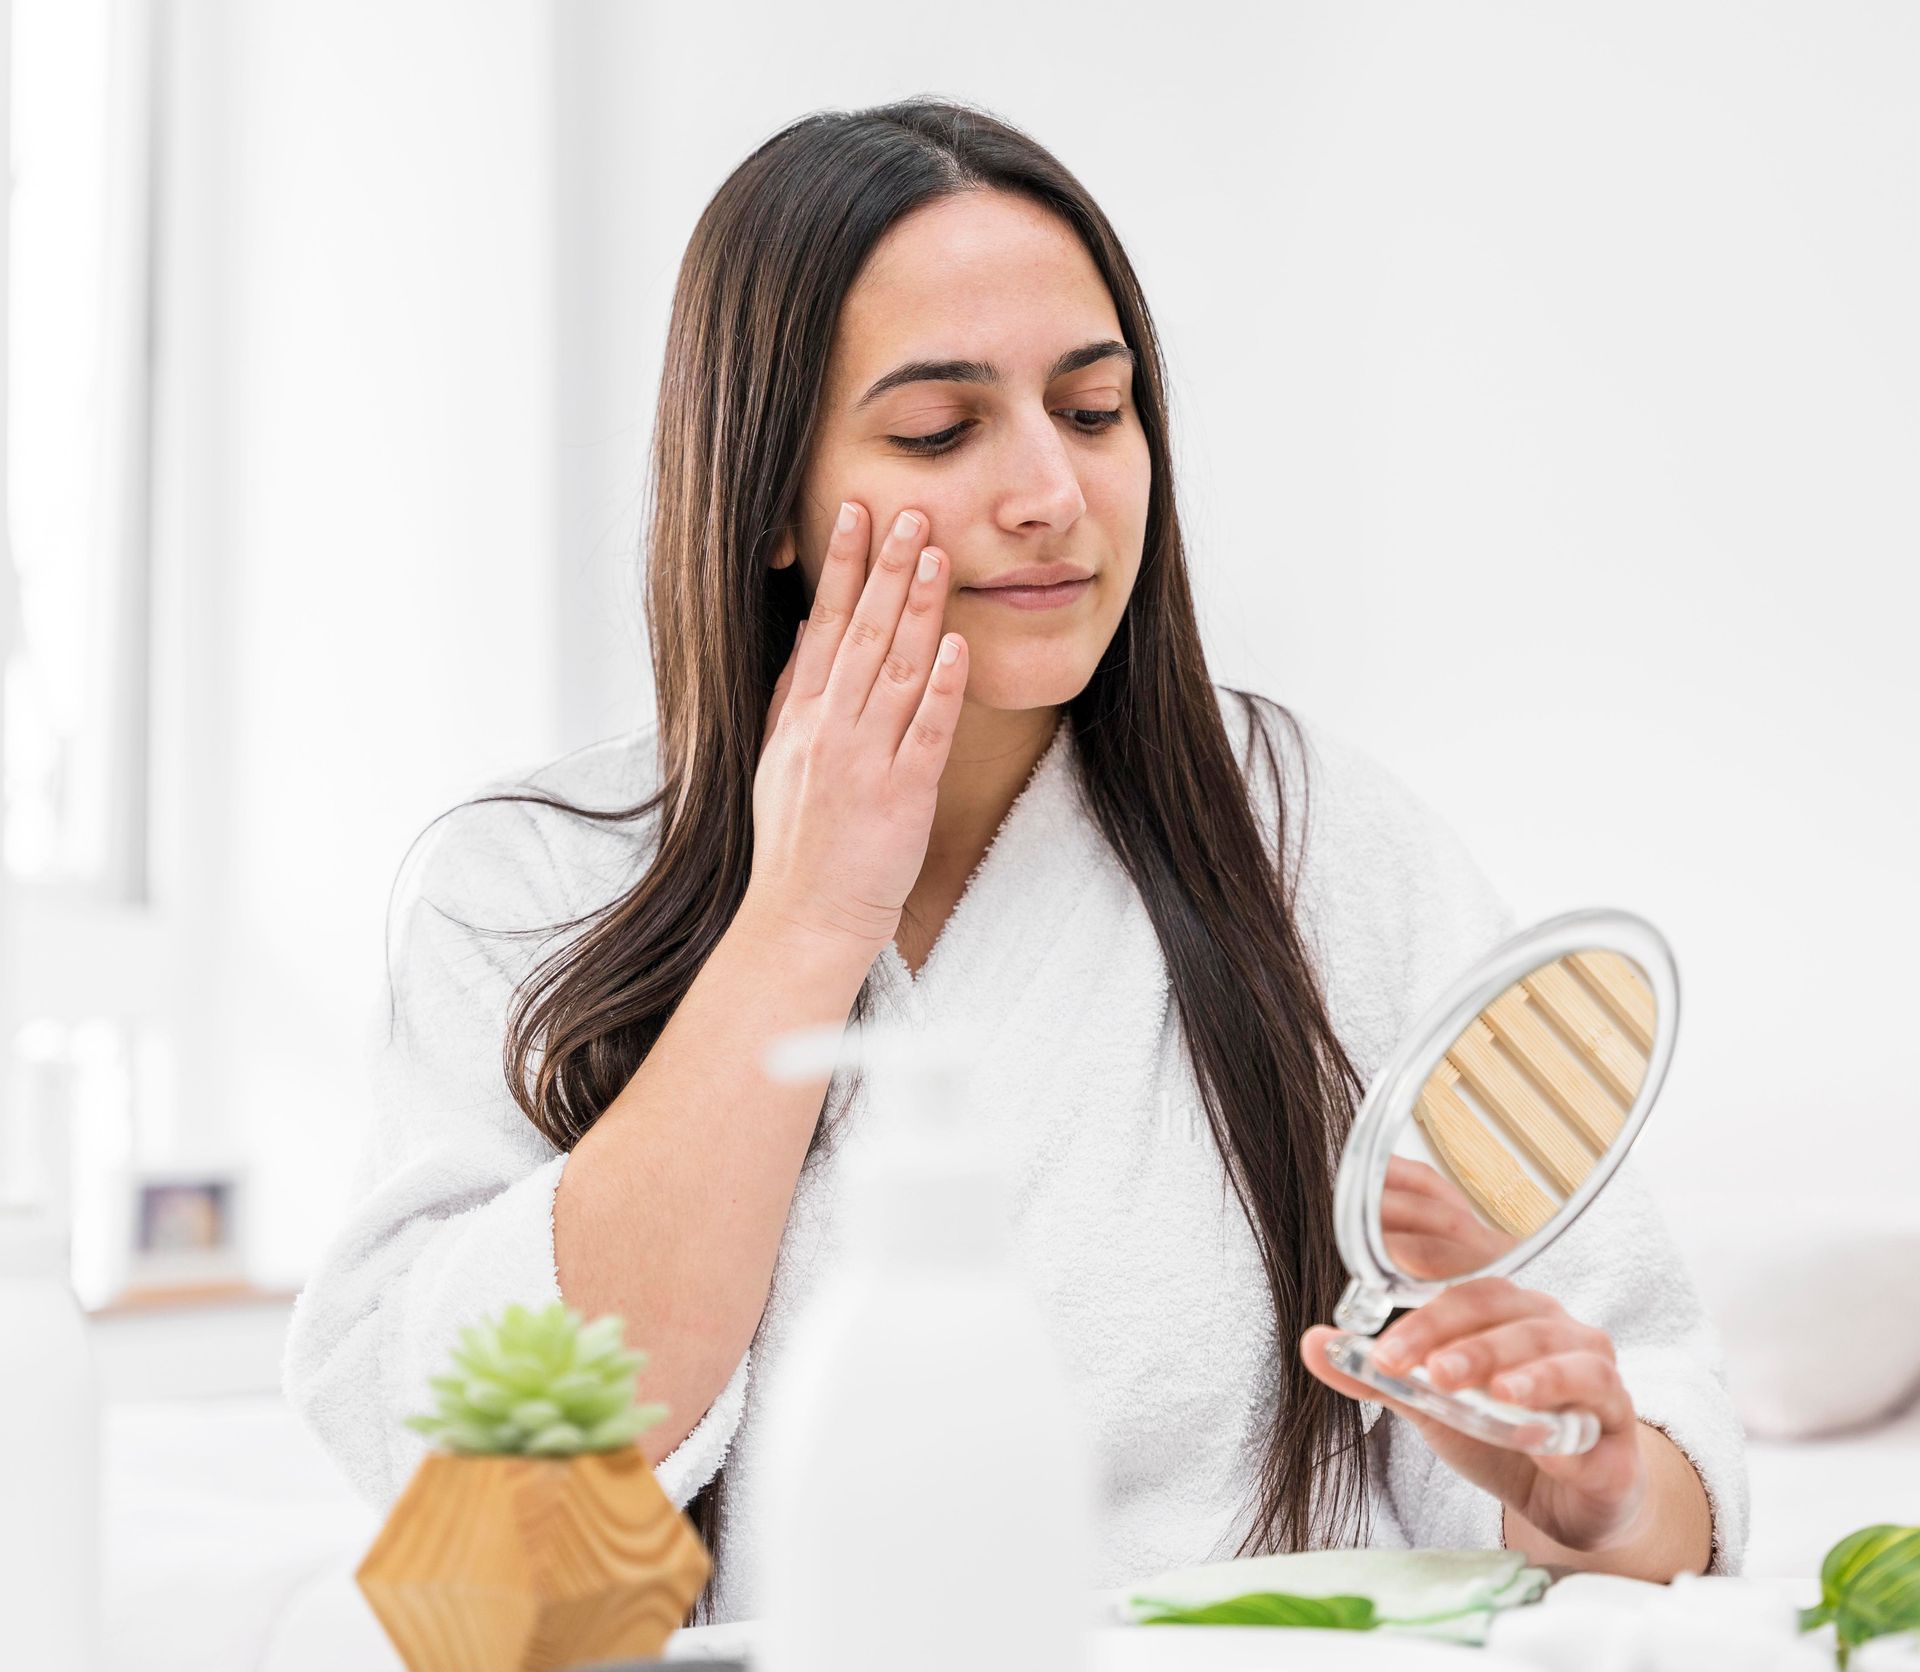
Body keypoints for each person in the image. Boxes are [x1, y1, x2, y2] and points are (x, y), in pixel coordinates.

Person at [283, 96, 1748, 1626]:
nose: (1052, 492)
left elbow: (1634, 1447)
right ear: (767, 497)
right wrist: (804, 918)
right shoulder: (527, 884)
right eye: (940, 429)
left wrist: (1591, 1488)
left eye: (1095, 411)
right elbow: (489, 1478)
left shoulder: (1307, 837)